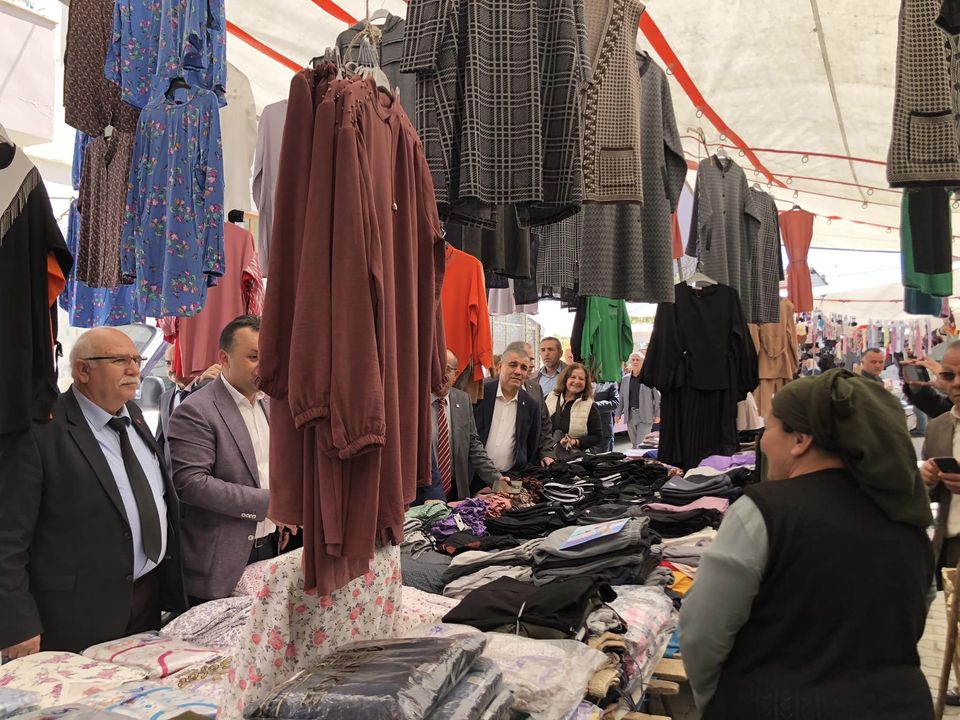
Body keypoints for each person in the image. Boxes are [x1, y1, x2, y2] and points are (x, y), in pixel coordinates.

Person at [681, 369, 934, 719]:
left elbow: (701, 634)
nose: (762, 442)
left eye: (768, 428)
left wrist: (719, 701)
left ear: (800, 440)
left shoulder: (764, 512)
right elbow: (914, 614)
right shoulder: (906, 511)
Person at [0, 328, 187, 657]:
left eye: (136, 359)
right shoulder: (41, 430)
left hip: (145, 599)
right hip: (74, 615)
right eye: (119, 360)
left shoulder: (135, 416)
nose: (134, 369)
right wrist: (16, 622)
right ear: (83, 370)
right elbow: (8, 537)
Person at [167, 316, 291, 605]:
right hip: (220, 560)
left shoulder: (271, 402)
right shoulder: (196, 410)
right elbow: (191, 484)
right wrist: (269, 504)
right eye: (253, 357)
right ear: (224, 358)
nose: (264, 366)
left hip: (270, 546)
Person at [433, 349, 508, 500]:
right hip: (422, 493)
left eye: (447, 369)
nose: (440, 373)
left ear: (455, 375)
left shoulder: (462, 400)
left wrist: (497, 480)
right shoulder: (416, 401)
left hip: (456, 490)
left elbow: (473, 445)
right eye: (437, 367)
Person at [474, 347, 542, 485]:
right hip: (473, 476)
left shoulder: (531, 405)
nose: (518, 371)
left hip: (508, 478)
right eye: (513, 365)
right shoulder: (480, 395)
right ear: (499, 367)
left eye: (523, 368)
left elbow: (531, 447)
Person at [156, 344, 221, 471]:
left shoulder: (209, 390)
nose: (172, 368)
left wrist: (199, 383)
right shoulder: (164, 398)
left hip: (203, 472)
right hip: (171, 476)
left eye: (177, 362)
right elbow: (160, 441)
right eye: (168, 363)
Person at [505, 340, 555, 467]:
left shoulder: (535, 389)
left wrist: (546, 453)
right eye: (527, 358)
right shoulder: (489, 388)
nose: (531, 364)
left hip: (528, 465)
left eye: (532, 359)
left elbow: (545, 423)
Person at [544, 363, 605, 453]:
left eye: (581, 379)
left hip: (573, 456)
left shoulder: (589, 406)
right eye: (573, 377)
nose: (576, 381)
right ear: (565, 379)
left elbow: (597, 437)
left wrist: (575, 442)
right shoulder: (550, 397)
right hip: (547, 454)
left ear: (586, 383)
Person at [616, 352, 660, 448]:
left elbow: (657, 398)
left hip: (646, 416)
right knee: (634, 444)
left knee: (640, 445)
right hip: (630, 416)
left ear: (643, 362)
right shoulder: (625, 379)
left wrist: (658, 414)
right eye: (633, 360)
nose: (635, 362)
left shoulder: (650, 378)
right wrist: (617, 414)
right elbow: (621, 398)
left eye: (638, 360)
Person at [591, 373, 620, 452]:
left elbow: (615, 403)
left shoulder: (610, 382)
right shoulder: (582, 382)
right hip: (585, 433)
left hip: (603, 431)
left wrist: (595, 405)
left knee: (603, 458)